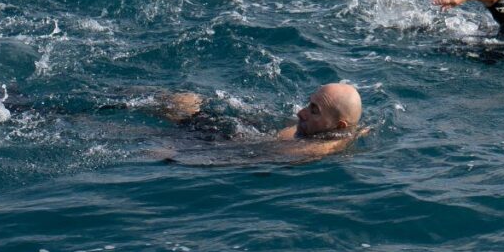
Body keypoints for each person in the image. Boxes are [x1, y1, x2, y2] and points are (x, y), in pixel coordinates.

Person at [149, 84, 367, 163]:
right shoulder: (320, 133)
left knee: (177, 110)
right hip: (243, 133)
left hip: (218, 144)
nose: (301, 113)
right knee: (180, 102)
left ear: (340, 126)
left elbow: (239, 159)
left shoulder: (314, 150)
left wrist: (176, 157)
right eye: (308, 105)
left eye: (314, 111)